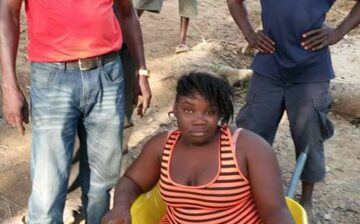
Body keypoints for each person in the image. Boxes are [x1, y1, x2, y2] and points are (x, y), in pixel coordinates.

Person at [0, 0, 152, 223]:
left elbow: (127, 13)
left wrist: (142, 71)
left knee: (101, 185)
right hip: (52, 78)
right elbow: (8, 14)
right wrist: (9, 86)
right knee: (47, 192)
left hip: (107, 75)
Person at [227, 0, 360, 220]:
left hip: (312, 69)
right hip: (269, 65)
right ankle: (244, 195)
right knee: (251, 133)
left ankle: (306, 200)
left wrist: (338, 32)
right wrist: (249, 34)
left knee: (310, 134)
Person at [102, 72, 294, 224]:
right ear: (175, 108)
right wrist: (120, 206)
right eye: (188, 110)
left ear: (220, 113)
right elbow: (132, 181)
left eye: (209, 111)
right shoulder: (162, 146)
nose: (199, 120)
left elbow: (274, 211)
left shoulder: (249, 147)